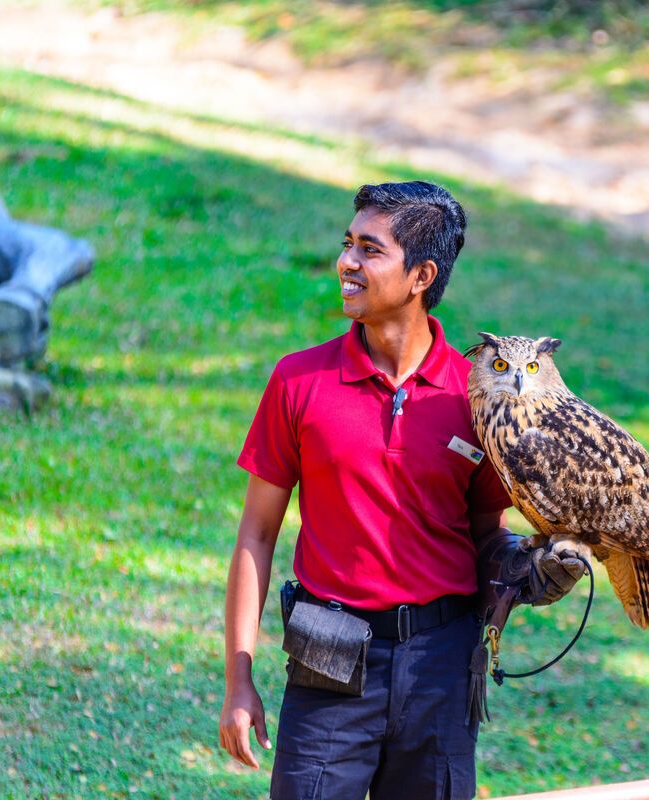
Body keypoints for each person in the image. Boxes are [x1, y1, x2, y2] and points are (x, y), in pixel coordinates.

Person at [217, 180, 587, 799]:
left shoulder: (477, 396)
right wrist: (238, 680)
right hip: (327, 662)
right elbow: (256, 534)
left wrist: (527, 565)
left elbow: (481, 532)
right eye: (348, 244)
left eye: (370, 249)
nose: (347, 263)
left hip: (442, 670)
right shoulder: (298, 381)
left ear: (421, 275)